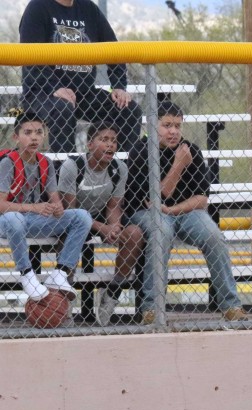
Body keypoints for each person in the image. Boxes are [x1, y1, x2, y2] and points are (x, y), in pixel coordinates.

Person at [125, 100, 246, 324]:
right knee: (161, 233)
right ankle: (152, 309)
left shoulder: (191, 149)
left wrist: (174, 209)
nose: (173, 131)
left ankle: (231, 305)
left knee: (213, 235)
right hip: (147, 213)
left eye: (178, 126)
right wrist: (179, 165)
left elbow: (201, 199)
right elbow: (155, 199)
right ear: (151, 127)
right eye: (167, 125)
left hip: (183, 211)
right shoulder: (141, 151)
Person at [19, 0, 142, 156]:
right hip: (42, 92)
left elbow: (114, 49)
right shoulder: (38, 7)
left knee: (129, 109)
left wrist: (118, 86)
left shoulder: (89, 8)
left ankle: (122, 171)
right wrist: (54, 87)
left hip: (84, 93)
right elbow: (30, 56)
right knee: (63, 109)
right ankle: (66, 173)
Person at [0, 109, 92, 305]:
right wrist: (35, 207)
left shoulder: (46, 163)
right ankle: (27, 275)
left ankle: (59, 274)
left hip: (33, 220)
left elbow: (54, 199)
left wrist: (57, 208)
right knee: (14, 218)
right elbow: (1, 205)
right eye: (28, 133)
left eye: (39, 132)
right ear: (16, 137)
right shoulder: (8, 163)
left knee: (81, 216)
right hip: (7, 222)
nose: (34, 137)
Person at [58, 121, 144, 325]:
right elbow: (71, 211)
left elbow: (114, 206)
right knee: (68, 236)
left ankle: (112, 293)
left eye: (114, 141)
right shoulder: (72, 166)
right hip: (74, 220)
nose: (110, 145)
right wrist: (101, 227)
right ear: (89, 144)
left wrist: (113, 226)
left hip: (101, 218)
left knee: (134, 234)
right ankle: (65, 299)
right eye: (104, 139)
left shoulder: (119, 169)